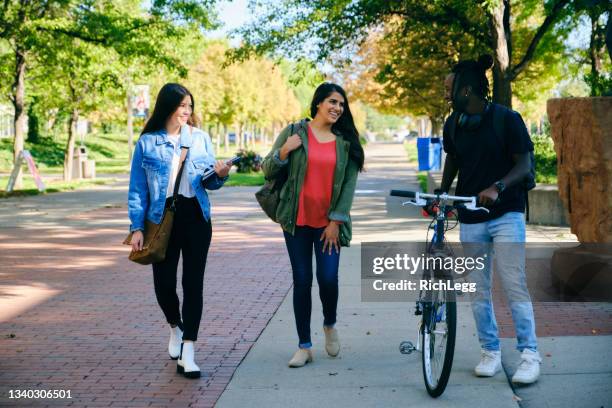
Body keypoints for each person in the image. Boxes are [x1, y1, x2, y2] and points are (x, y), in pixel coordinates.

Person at [439, 55, 541, 384]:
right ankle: (490, 351)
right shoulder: (453, 123)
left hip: (506, 213)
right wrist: (442, 195)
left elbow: (524, 166)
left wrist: (498, 187)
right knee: (478, 290)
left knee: (514, 284)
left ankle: (529, 354)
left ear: (467, 90)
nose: (446, 93)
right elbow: (453, 161)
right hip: (471, 217)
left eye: (449, 88)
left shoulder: (506, 119)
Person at [128, 83, 231, 379]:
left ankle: (189, 349)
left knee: (193, 283)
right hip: (162, 220)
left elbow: (208, 182)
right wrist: (136, 227)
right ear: (167, 107)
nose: (187, 111)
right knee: (163, 285)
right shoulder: (147, 142)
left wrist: (220, 175)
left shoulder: (200, 139)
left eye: (190, 106)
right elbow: (137, 189)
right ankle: (175, 325)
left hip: (196, 217)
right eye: (182, 105)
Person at [262, 82, 364, 368]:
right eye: (332, 102)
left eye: (341, 105)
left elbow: (348, 187)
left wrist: (335, 221)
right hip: (296, 222)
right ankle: (304, 346)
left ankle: (329, 324)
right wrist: (283, 152)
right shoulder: (295, 133)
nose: (337, 108)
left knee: (328, 279)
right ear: (318, 103)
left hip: (328, 224)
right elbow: (267, 170)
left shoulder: (346, 143)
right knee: (302, 281)